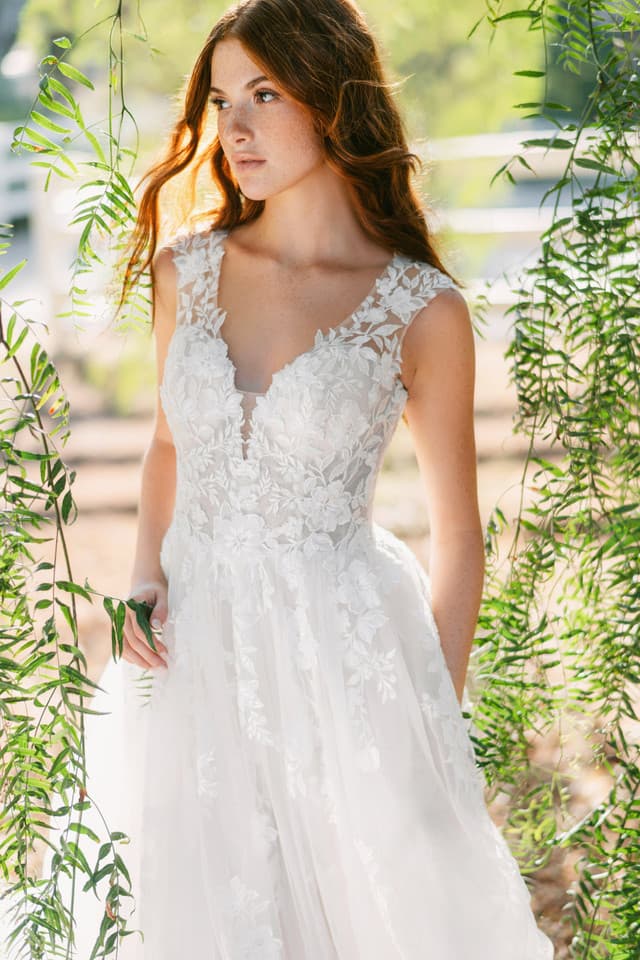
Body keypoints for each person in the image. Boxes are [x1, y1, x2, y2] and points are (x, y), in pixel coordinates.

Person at [31, 1, 555, 958]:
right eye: (223, 99)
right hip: (189, 656)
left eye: (265, 94)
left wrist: (429, 729)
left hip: (340, 662)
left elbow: (459, 538)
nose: (234, 127)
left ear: (332, 94)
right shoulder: (185, 268)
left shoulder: (419, 307)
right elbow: (168, 447)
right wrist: (145, 576)